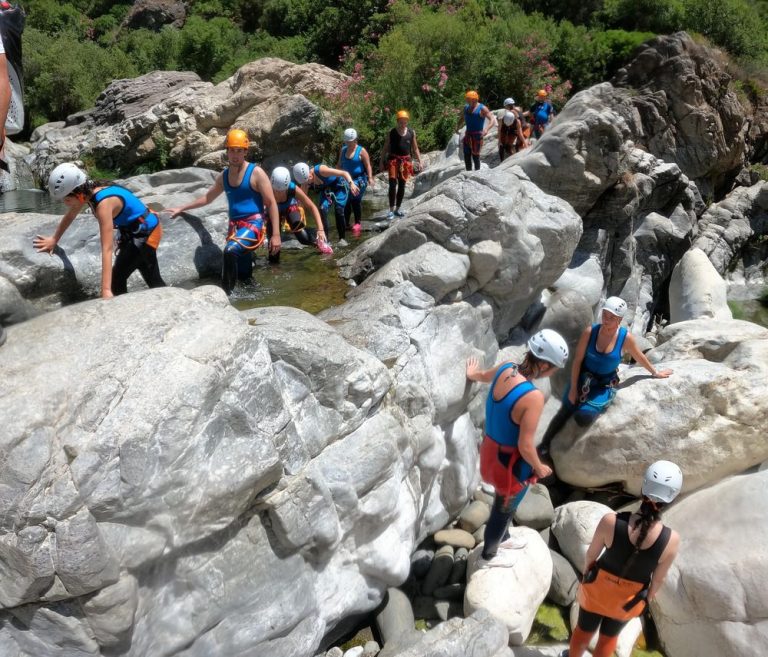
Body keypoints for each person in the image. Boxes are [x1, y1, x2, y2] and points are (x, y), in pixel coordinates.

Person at [466, 329, 569, 561]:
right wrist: (539, 467)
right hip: (508, 464)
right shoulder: (532, 397)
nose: (552, 372)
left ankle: (503, 537)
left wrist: (472, 374)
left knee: (502, 501)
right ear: (544, 365)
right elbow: (525, 445)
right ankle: (489, 555)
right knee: (504, 509)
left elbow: (483, 375)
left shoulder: (506, 367)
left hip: (489, 451)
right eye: (553, 368)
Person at [562, 460, 682, 657]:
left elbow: (591, 555)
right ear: (672, 497)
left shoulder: (611, 521)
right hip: (629, 599)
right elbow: (658, 579)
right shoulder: (671, 540)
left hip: (597, 588)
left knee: (583, 631)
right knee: (609, 638)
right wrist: (647, 598)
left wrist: (586, 577)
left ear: (643, 487)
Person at [539, 297, 673, 455]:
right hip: (583, 378)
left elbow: (639, 356)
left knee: (584, 417)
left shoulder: (625, 338)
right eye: (605, 315)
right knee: (566, 409)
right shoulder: (591, 332)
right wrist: (574, 388)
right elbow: (577, 360)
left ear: (619, 320)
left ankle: (572, 449)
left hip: (603, 385)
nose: (606, 320)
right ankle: (545, 444)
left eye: (611, 317)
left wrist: (655, 372)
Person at [166, 129, 280, 295]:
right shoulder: (224, 176)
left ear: (245, 152)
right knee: (244, 276)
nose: (235, 155)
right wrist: (181, 208)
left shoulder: (256, 173)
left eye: (239, 151)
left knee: (229, 250)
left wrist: (276, 235)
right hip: (235, 228)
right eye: (232, 150)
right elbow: (207, 198)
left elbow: (271, 203)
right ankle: (259, 296)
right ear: (227, 151)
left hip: (253, 225)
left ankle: (226, 297)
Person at [33, 163, 166, 298]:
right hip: (138, 229)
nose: (65, 203)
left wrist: (106, 290)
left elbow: (106, 248)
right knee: (151, 277)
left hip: (145, 232)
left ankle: (123, 307)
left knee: (116, 280)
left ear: (78, 194)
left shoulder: (103, 204)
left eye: (67, 199)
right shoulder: (88, 190)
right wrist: (54, 239)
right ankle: (167, 299)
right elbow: (71, 215)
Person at [269, 166, 332, 261]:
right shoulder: (266, 188)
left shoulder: (292, 188)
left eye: (282, 190)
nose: (279, 193)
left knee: (302, 238)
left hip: (289, 207)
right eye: (276, 190)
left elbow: (312, 207)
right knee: (273, 249)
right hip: (273, 211)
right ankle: (274, 268)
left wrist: (320, 229)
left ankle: (318, 243)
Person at [292, 160, 359, 245]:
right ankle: (326, 240)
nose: (307, 184)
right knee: (322, 209)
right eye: (304, 183)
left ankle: (342, 239)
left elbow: (344, 173)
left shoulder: (321, 170)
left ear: (310, 175)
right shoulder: (304, 182)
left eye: (307, 181)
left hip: (339, 187)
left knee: (339, 210)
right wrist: (298, 218)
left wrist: (351, 183)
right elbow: (302, 201)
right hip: (327, 190)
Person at [380, 109, 423, 221]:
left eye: (405, 121)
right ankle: (391, 210)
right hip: (393, 160)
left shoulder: (411, 132)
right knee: (392, 184)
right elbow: (385, 147)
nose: (403, 123)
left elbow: (415, 148)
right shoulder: (392, 132)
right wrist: (381, 161)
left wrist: (420, 161)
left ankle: (397, 209)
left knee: (402, 184)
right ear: (397, 121)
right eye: (401, 121)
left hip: (406, 161)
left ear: (407, 121)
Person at [337, 127, 374, 238]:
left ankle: (358, 222)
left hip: (359, 179)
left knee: (354, 199)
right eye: (346, 141)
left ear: (355, 140)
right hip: (345, 179)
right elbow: (339, 165)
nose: (348, 143)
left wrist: (370, 178)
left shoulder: (361, 151)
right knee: (346, 200)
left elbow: (368, 165)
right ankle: (346, 223)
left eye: (350, 141)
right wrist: (335, 176)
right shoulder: (343, 150)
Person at [456, 90, 497, 171]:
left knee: (475, 155)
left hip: (477, 135)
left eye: (469, 99)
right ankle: (468, 172)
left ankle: (477, 172)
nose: (467, 101)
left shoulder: (482, 108)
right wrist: (457, 127)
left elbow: (492, 119)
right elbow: (462, 118)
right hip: (468, 134)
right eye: (467, 99)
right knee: (466, 154)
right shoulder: (466, 107)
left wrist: (486, 129)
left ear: (474, 99)